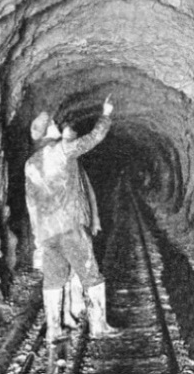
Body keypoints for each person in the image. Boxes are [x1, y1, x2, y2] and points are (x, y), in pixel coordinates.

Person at [24, 95, 118, 355]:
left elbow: (31, 204)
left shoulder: (30, 164)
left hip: (47, 234)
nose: (57, 126)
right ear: (49, 133)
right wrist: (106, 114)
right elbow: (93, 139)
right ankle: (99, 326)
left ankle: (53, 330)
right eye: (54, 125)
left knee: (53, 280)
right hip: (70, 227)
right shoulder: (61, 151)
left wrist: (37, 240)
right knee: (91, 274)